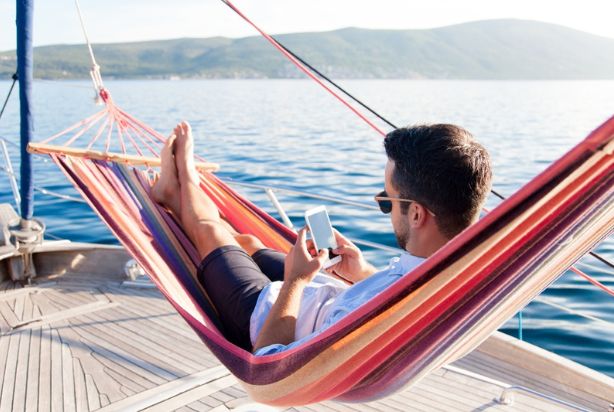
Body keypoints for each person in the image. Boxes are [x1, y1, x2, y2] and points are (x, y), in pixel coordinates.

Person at [152, 121, 492, 355]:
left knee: (210, 231)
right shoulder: (454, 271)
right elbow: (397, 291)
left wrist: (295, 281)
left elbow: (271, 358)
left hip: (264, 317)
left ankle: (183, 178)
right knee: (249, 243)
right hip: (327, 297)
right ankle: (174, 191)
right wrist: (362, 274)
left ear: (417, 214)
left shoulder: (371, 319)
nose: (385, 208)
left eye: (387, 200)